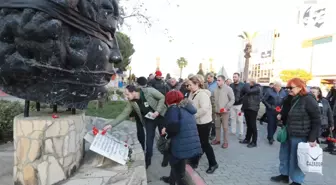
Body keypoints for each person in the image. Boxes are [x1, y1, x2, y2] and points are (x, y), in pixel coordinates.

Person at [103, 83, 167, 169]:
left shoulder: (149, 91)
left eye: (127, 94)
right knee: (149, 140)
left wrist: (158, 111)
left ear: (133, 92)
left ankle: (166, 157)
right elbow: (124, 114)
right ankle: (147, 160)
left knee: (164, 137)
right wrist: (111, 125)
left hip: (161, 116)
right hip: (149, 120)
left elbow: (162, 97)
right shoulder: (132, 102)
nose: (126, 97)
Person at [270, 78, 321, 185]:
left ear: (300, 87)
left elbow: (316, 120)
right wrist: (281, 115)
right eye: (287, 87)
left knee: (297, 159)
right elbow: (286, 110)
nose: (288, 90)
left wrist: (312, 138)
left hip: (300, 134)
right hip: (288, 131)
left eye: (291, 88)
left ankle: (297, 181)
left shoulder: (308, 100)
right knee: (284, 155)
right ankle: (284, 175)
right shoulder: (290, 97)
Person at [160, 91, 202, 185]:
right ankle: (171, 180)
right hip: (189, 142)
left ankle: (177, 181)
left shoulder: (173, 109)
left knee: (177, 168)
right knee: (178, 163)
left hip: (180, 144)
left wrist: (165, 132)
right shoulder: (186, 107)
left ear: (168, 100)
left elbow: (174, 127)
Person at [187, 75, 218, 174]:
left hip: (204, 123)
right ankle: (194, 161)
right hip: (196, 122)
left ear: (197, 84)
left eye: (190, 85)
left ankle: (213, 163)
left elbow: (204, 109)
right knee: (197, 143)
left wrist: (193, 115)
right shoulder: (192, 93)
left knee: (205, 144)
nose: (189, 86)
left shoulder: (203, 94)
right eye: (188, 85)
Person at [211, 75, 235, 148]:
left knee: (225, 127)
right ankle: (217, 140)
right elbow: (212, 99)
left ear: (223, 81)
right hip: (217, 112)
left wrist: (226, 108)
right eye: (217, 80)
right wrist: (214, 107)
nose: (217, 82)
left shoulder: (228, 89)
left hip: (225, 112)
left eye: (219, 80)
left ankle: (225, 142)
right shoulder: (215, 89)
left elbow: (232, 99)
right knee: (217, 126)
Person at [239, 78, 261, 148]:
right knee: (248, 125)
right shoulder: (249, 87)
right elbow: (242, 93)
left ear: (252, 82)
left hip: (253, 109)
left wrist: (246, 84)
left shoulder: (258, 88)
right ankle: (247, 139)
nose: (247, 84)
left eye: (248, 82)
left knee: (253, 125)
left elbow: (248, 91)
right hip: (247, 108)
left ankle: (254, 142)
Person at [229, 72, 245, 140]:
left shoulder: (243, 85)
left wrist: (243, 104)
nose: (234, 78)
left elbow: (245, 95)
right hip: (232, 105)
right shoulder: (231, 85)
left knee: (240, 120)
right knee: (233, 118)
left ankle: (241, 133)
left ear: (239, 77)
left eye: (235, 77)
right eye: (233, 77)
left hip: (240, 106)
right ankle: (233, 131)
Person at [206, 73, 217, 140]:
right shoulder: (206, 84)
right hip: (206, 104)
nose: (207, 79)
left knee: (213, 120)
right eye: (207, 78)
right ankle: (207, 133)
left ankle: (213, 134)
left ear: (212, 78)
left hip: (213, 104)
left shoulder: (216, 85)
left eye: (209, 78)